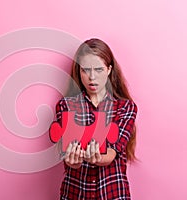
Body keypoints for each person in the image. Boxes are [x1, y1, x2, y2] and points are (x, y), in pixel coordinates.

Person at [54, 38, 138, 199]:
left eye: (99, 69)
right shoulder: (66, 106)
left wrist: (87, 155)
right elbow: (69, 155)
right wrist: (73, 161)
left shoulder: (125, 107)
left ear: (109, 69)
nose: (92, 77)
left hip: (112, 194)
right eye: (86, 70)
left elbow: (110, 155)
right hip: (75, 194)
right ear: (78, 71)